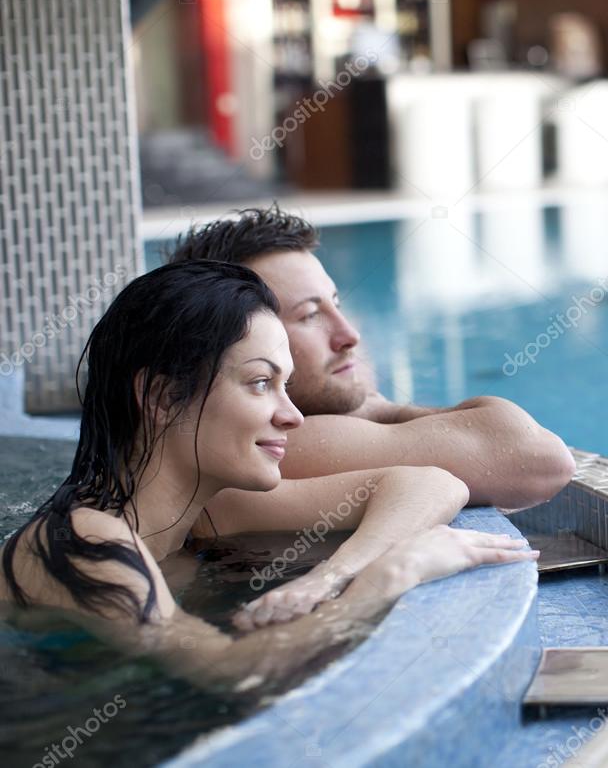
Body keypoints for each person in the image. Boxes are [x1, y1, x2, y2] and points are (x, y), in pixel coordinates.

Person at [0, 261, 538, 692]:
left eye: (286, 385)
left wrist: (331, 575)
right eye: (260, 383)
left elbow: (433, 484)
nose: (292, 415)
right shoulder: (85, 541)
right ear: (162, 398)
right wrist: (386, 579)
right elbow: (229, 671)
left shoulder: (208, 511)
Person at [167, 206, 576, 623]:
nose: (349, 335)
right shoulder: (271, 448)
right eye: (310, 315)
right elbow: (537, 459)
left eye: (336, 303)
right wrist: (381, 408)